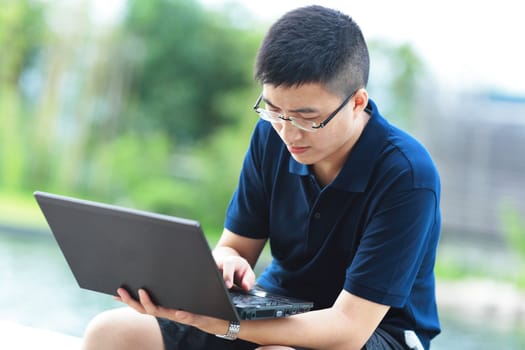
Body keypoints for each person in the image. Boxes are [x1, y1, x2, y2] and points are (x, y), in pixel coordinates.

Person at [82, 5, 441, 350]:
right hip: (274, 308)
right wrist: (226, 264)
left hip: (375, 334)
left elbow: (349, 328)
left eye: (306, 117)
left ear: (358, 102)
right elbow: (236, 246)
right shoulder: (271, 135)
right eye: (273, 110)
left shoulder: (407, 176)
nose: (289, 133)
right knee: (111, 333)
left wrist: (227, 325)